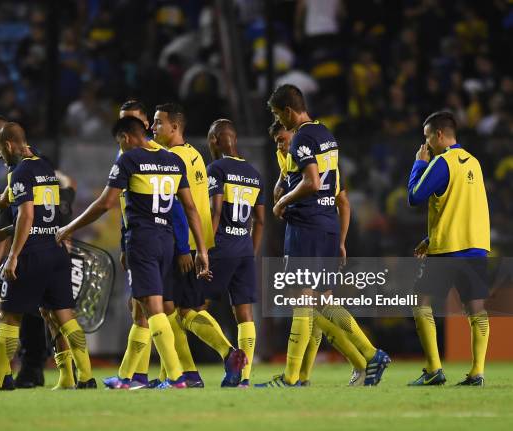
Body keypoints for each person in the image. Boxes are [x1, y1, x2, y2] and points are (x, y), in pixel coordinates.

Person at [56, 116, 212, 388]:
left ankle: (176, 377)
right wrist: (201, 249)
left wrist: (69, 227)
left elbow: (105, 204)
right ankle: (126, 377)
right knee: (149, 307)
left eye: (120, 142)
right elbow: (189, 208)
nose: (121, 147)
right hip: (167, 242)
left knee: (153, 310)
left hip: (143, 240)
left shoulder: (129, 160)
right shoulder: (173, 160)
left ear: (126, 137)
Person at [257, 84, 390, 387]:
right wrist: (339, 240)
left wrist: (281, 201)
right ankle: (369, 356)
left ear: (288, 111)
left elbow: (313, 182)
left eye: (280, 115)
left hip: (308, 224)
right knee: (322, 302)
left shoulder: (302, 137)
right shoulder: (326, 135)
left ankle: (292, 378)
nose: (282, 122)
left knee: (302, 299)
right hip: (327, 224)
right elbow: (337, 191)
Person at [0, 122, 94, 391]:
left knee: (8, 317)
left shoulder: (20, 172)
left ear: (9, 145)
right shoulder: (45, 167)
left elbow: (26, 215)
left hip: (31, 254)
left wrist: (13, 256)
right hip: (55, 250)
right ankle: (86, 377)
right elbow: (41, 215)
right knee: (65, 318)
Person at [152, 103, 247, 387]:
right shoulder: (194, 154)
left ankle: (208, 363)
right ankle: (183, 373)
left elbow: (182, 206)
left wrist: (183, 247)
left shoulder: (170, 159)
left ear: (175, 127)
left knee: (175, 311)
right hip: (199, 243)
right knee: (182, 310)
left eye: (159, 123)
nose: (154, 128)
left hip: (183, 245)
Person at [407, 111, 490, 386]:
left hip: (447, 251)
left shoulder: (443, 162)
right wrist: (429, 238)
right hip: (476, 247)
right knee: (476, 309)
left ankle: (433, 370)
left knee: (421, 304)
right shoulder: (475, 163)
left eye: (428, 137)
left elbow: (414, 196)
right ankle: (477, 373)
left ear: (439, 135)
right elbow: (462, 209)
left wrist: (419, 165)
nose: (427, 144)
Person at [205, 119, 264, 387]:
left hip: (221, 246)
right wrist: (251, 252)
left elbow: (216, 211)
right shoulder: (254, 173)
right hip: (244, 250)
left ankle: (230, 355)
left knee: (192, 307)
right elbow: (260, 221)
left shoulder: (216, 168)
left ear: (216, 140)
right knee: (245, 314)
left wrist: (205, 249)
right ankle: (245, 379)